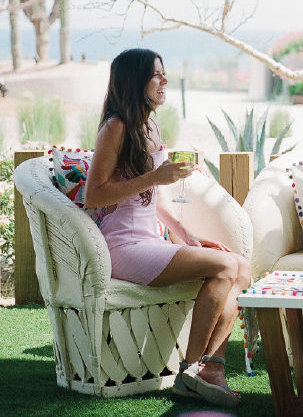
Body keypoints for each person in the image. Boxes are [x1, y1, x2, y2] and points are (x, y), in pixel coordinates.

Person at [83, 49, 251, 408]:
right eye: (157, 75)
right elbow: (93, 197)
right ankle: (190, 372)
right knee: (224, 267)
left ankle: (213, 370)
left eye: (164, 74)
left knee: (241, 266)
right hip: (123, 246)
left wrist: (185, 236)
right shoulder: (115, 128)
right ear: (135, 80)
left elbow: (155, 200)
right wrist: (154, 176)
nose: (165, 81)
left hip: (150, 240)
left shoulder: (150, 125)